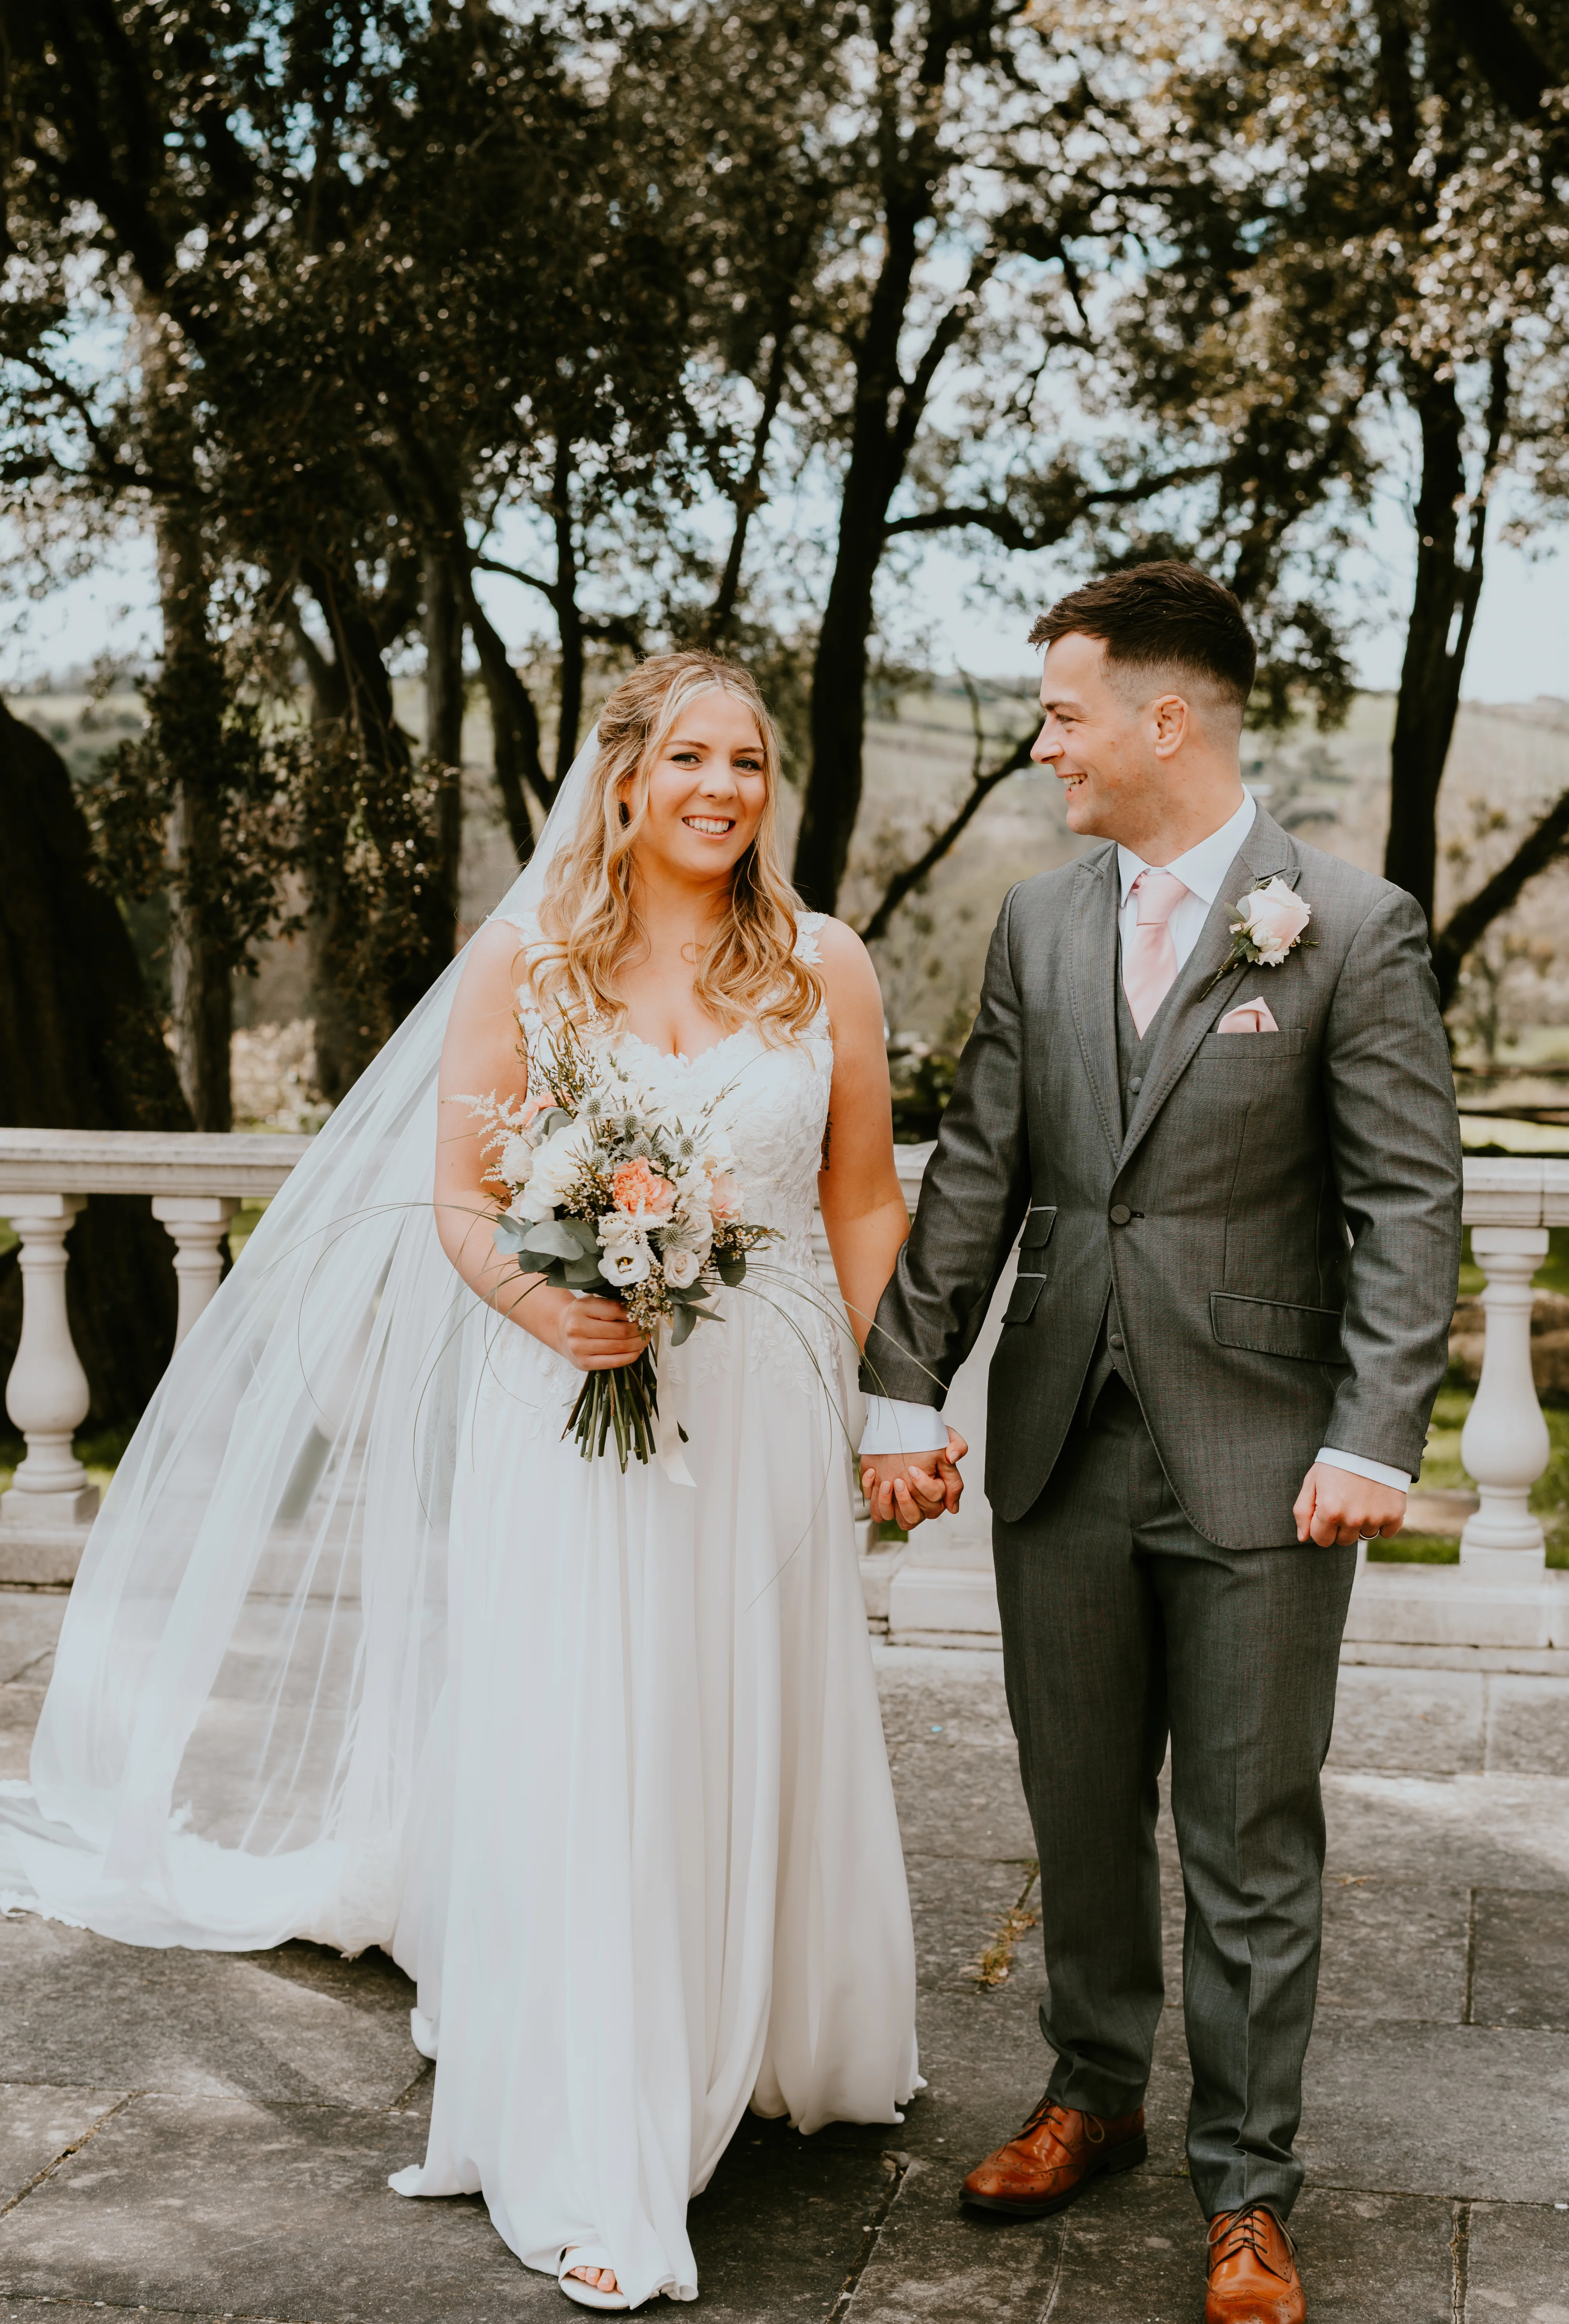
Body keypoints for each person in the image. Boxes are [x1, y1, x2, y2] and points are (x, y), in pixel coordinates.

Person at [0, 650, 947, 2311]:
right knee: (593, 1736)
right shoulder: (529, 962)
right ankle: (596, 2138)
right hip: (574, 1408)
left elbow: (863, 1200)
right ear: (628, 778)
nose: (727, 787)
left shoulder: (824, 964)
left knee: (746, 1708)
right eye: (694, 758)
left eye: (751, 761)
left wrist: (889, 1408)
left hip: (765, 1414)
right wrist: (544, 1294)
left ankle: (778, 2029)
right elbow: (458, 1198)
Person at [858, 564, 1462, 2324]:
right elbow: (980, 1171)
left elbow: (1409, 1202)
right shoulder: (1037, 924)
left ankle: (1249, 2187)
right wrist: (907, 1390)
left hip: (1267, 1456)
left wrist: (1373, 1431)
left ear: (1163, 719)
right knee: (1073, 1803)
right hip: (1057, 1441)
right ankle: (1092, 2090)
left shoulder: (1345, 923)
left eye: (1063, 713)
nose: (1044, 744)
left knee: (1252, 1826)